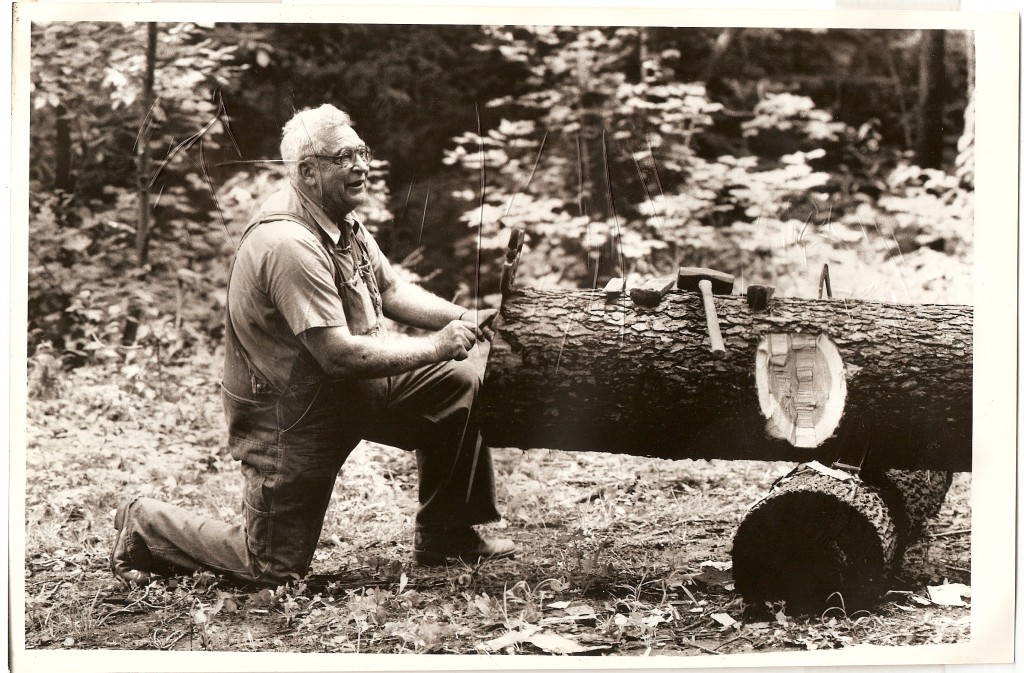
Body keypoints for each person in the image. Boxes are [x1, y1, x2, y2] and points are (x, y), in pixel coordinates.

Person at [110, 104, 514, 588]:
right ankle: (143, 523)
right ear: (307, 170)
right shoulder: (288, 242)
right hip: (292, 415)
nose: (362, 165)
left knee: (457, 384)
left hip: (350, 388)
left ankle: (446, 534)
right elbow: (339, 355)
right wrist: (436, 346)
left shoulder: (339, 217)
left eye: (362, 152)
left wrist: (464, 318)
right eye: (345, 157)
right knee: (271, 571)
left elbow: (391, 292)